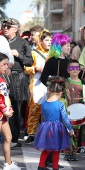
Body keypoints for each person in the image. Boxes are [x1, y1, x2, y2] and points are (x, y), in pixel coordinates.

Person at [2, 18, 33, 147]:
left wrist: (18, 55)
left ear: (15, 29)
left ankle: (14, 138)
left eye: (9, 26)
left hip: (17, 77)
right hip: (2, 76)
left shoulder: (22, 43)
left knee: (15, 108)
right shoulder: (1, 41)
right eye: (4, 26)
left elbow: (29, 61)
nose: (5, 28)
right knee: (2, 105)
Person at [34, 76, 74, 170]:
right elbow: (64, 118)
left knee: (46, 149)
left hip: (46, 127)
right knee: (56, 150)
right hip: (57, 129)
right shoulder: (60, 104)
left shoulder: (44, 103)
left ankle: (41, 165)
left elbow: (43, 115)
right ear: (60, 93)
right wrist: (70, 128)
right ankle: (55, 167)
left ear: (49, 91)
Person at [24, 30, 52, 144]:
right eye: (46, 40)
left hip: (49, 85)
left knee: (48, 110)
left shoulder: (53, 53)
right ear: (40, 41)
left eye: (51, 40)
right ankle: (31, 133)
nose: (49, 42)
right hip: (36, 84)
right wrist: (35, 69)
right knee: (34, 109)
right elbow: (25, 68)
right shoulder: (33, 53)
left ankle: (46, 133)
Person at [64, 59, 85, 160]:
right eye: (72, 68)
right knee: (67, 132)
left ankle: (74, 152)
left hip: (78, 112)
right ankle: (67, 152)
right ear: (68, 70)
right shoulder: (65, 82)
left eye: (77, 68)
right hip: (67, 110)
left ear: (80, 70)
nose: (75, 70)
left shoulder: (83, 84)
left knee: (76, 134)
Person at [0, 52, 21, 170]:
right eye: (4, 64)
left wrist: (10, 108)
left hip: (3, 114)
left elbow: (5, 97)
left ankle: (8, 164)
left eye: (7, 64)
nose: (6, 67)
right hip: (1, 113)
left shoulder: (2, 78)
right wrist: (5, 111)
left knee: (8, 137)